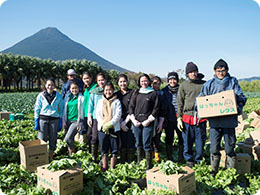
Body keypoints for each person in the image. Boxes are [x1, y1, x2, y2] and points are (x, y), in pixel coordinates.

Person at [198, 59, 247, 175]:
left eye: (223, 70)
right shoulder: (208, 84)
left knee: (229, 148)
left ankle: (229, 172)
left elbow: (241, 97)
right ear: (214, 71)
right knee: (214, 149)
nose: (220, 72)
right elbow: (201, 99)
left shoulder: (232, 82)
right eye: (218, 70)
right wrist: (199, 108)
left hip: (229, 122)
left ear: (227, 70)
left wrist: (239, 108)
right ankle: (214, 171)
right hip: (215, 123)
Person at [177, 62, 207, 168]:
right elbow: (180, 102)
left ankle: (199, 160)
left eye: (194, 71)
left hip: (201, 118)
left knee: (200, 143)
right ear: (187, 74)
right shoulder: (183, 85)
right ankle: (189, 161)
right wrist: (179, 117)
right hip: (187, 118)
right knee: (187, 143)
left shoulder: (204, 84)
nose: (193, 74)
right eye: (190, 72)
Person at [129, 74, 159, 170]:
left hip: (148, 122)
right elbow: (131, 107)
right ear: (139, 82)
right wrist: (133, 120)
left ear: (149, 81)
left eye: (145, 81)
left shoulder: (153, 93)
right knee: (138, 142)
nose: (144, 83)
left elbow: (156, 108)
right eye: (142, 81)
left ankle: (148, 164)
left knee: (147, 143)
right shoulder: (136, 93)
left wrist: (149, 120)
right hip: (137, 122)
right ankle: (139, 161)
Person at [34, 78, 63, 160]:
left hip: (54, 119)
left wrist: (60, 120)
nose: (50, 87)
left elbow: (61, 109)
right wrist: (36, 120)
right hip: (43, 119)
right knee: (42, 138)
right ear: (45, 86)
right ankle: (41, 157)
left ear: (54, 86)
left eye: (52, 85)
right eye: (48, 85)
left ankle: (50, 156)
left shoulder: (58, 96)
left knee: (53, 138)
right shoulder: (41, 95)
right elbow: (37, 108)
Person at [96, 82, 122, 171]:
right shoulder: (100, 101)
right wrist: (103, 124)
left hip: (113, 128)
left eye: (110, 89)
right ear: (104, 91)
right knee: (104, 148)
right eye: (106, 90)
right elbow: (98, 115)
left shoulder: (117, 101)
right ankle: (104, 166)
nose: (108, 92)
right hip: (102, 129)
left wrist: (110, 124)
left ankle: (112, 167)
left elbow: (118, 115)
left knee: (114, 148)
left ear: (113, 90)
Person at [162, 72, 184, 162]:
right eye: (170, 79)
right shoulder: (164, 91)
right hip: (169, 118)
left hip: (180, 118)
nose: (172, 81)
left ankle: (181, 157)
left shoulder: (181, 89)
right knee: (169, 138)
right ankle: (169, 157)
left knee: (181, 138)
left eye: (174, 79)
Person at [115, 74, 136, 163]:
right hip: (119, 120)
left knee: (131, 139)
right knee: (122, 140)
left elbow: (133, 107)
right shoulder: (116, 94)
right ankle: (123, 160)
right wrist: (120, 122)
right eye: (121, 82)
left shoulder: (133, 92)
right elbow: (115, 109)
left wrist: (125, 122)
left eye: (124, 81)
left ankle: (130, 160)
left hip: (130, 119)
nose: (123, 83)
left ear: (127, 82)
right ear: (118, 83)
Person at [88, 72, 106, 162]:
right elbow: (90, 106)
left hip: (106, 118)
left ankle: (103, 157)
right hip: (96, 117)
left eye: (102, 80)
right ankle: (94, 156)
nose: (101, 82)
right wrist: (89, 116)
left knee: (103, 138)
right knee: (94, 137)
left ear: (105, 80)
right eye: (99, 80)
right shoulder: (94, 92)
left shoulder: (108, 91)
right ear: (97, 81)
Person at [63, 81, 85, 156]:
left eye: (76, 88)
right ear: (70, 89)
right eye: (72, 88)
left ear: (79, 89)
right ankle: (71, 155)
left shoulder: (81, 98)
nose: (74, 90)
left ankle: (73, 151)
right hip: (68, 121)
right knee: (71, 138)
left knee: (67, 138)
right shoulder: (68, 98)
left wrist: (81, 122)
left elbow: (83, 111)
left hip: (76, 121)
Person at [151, 76, 167, 163]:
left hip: (158, 119)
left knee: (156, 140)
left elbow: (163, 109)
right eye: (154, 83)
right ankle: (149, 158)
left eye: (158, 83)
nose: (157, 85)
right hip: (147, 120)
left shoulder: (162, 94)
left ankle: (157, 159)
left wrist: (161, 123)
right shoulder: (148, 93)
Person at [82, 72, 97, 152]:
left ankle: (93, 152)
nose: (86, 80)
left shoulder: (95, 87)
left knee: (90, 134)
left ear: (91, 78)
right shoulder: (85, 89)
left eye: (87, 78)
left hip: (92, 114)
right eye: (84, 78)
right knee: (87, 135)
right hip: (85, 114)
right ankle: (90, 151)